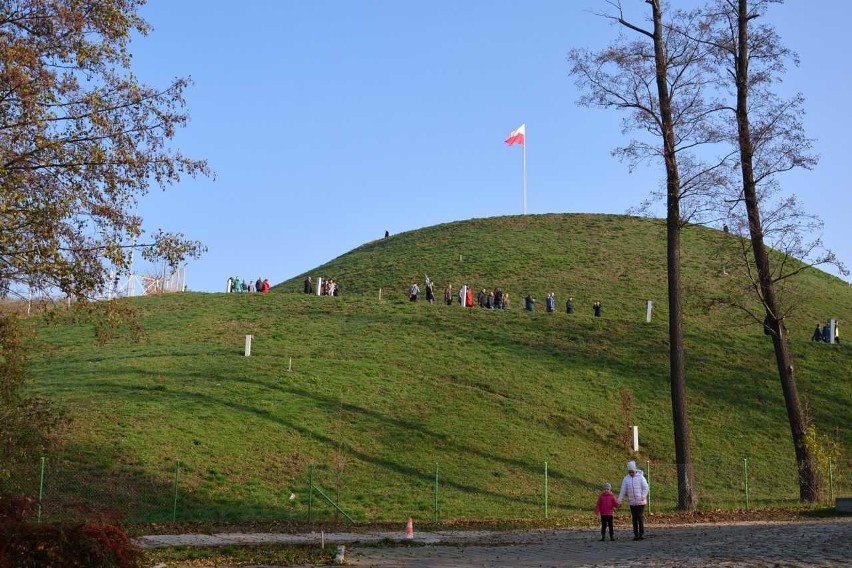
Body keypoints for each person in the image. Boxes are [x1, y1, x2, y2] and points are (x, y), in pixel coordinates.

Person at [617, 460, 649, 541]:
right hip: (632, 501)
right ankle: (636, 534)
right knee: (634, 517)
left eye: (632, 472)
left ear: (635, 470)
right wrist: (619, 501)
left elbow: (646, 487)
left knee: (639, 516)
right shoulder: (626, 479)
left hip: (641, 501)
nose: (631, 474)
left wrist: (643, 496)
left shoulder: (641, 477)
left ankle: (641, 533)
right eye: (629, 472)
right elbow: (623, 490)